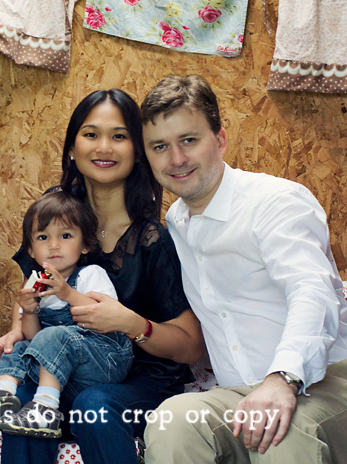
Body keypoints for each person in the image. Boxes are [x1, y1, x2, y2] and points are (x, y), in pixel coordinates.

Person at [141, 75, 347, 464]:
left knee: (280, 436)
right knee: (171, 422)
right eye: (160, 147)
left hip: (325, 380)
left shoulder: (275, 202)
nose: (176, 159)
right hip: (239, 394)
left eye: (189, 140)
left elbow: (311, 290)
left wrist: (283, 378)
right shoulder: (177, 221)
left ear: (220, 140)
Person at [0, 89, 205, 464]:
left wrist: (132, 323)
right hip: (67, 370)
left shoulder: (153, 239)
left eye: (119, 136)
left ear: (137, 150)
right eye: (91, 134)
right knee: (21, 403)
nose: (104, 147)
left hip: (140, 382)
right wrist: (16, 329)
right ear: (73, 148)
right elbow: (33, 287)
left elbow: (191, 347)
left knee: (95, 405)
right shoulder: (57, 213)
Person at [0, 191, 132, 438]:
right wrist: (29, 310)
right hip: (66, 373)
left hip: (104, 361)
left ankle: (45, 408)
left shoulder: (90, 274)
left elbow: (106, 315)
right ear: (31, 250)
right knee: (20, 346)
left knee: (55, 335)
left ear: (85, 245)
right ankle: (1, 394)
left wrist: (68, 293)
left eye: (66, 236)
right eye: (43, 237)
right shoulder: (35, 284)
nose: (54, 245)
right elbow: (35, 338)